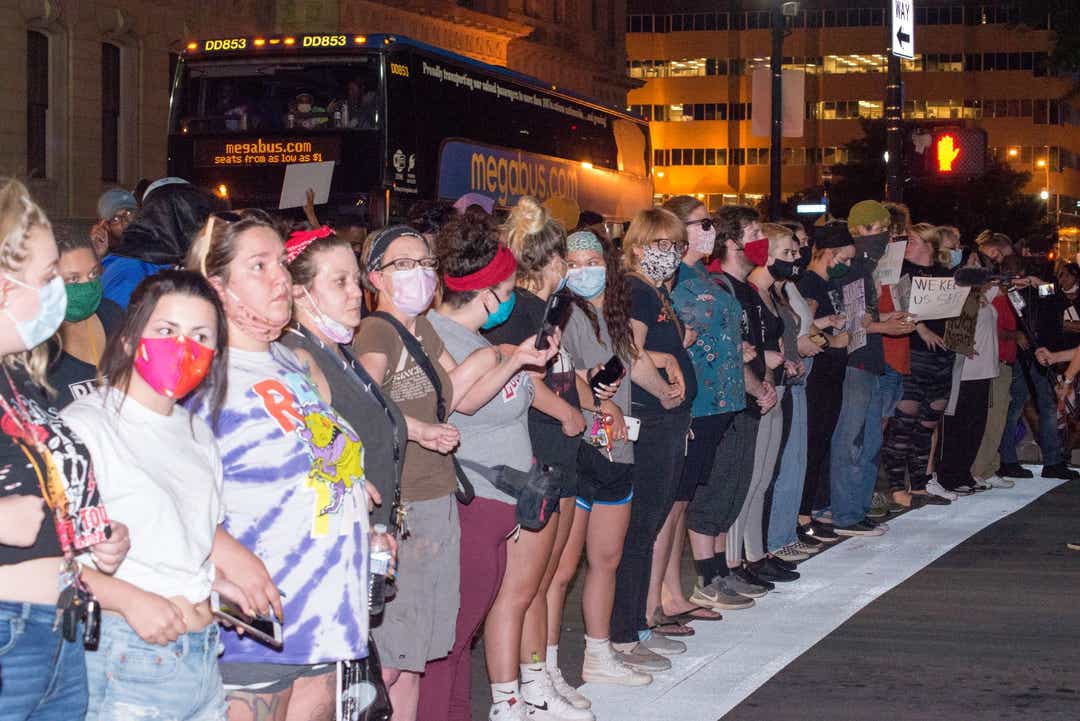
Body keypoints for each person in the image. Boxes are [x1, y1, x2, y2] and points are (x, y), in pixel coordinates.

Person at [186, 209, 374, 720]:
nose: (280, 281)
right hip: (255, 621)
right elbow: (159, 492)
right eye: (259, 266)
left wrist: (357, 506)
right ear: (216, 282)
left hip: (323, 611)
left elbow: (315, 461)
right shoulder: (200, 378)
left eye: (281, 265)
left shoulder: (289, 363)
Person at [65, 271, 259, 721]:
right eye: (167, 331)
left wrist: (215, 587)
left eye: (201, 336)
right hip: (128, 657)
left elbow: (176, 546)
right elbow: (50, 563)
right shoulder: (86, 426)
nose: (184, 347)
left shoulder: (197, 433)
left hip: (202, 659)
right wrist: (130, 600)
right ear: (132, 338)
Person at [354, 225, 528, 721]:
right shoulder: (377, 330)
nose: (420, 274)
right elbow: (366, 401)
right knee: (392, 658)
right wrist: (416, 430)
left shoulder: (422, 327)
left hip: (437, 497)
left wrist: (515, 362)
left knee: (420, 653)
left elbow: (462, 399)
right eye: (403, 264)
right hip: (404, 504)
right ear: (376, 278)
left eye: (426, 264)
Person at [422, 212, 565, 721]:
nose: (511, 299)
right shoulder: (439, 337)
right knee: (449, 639)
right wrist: (508, 361)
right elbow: (454, 402)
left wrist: (516, 359)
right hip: (471, 504)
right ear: (485, 291)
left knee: (461, 639)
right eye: (506, 289)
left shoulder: (480, 341)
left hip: (499, 506)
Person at [0, 178, 131, 720]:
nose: (61, 289)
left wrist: (91, 534)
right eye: (50, 274)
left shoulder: (20, 377)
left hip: (59, 623)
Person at [481, 197, 597, 712]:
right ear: (552, 263)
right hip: (538, 456)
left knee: (547, 578)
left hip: (560, 457)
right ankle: (513, 693)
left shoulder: (548, 310)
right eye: (569, 261)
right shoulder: (521, 314)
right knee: (522, 586)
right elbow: (522, 378)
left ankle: (539, 676)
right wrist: (566, 413)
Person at [553, 227, 656, 686]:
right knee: (561, 570)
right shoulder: (561, 314)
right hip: (581, 451)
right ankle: (546, 670)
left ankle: (598, 654)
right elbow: (562, 375)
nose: (583, 272)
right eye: (572, 264)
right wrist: (595, 400)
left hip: (616, 448)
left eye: (591, 261)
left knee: (606, 557)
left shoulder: (612, 313)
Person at [281, 226, 408, 531]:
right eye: (340, 282)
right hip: (337, 539)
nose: (355, 292)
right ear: (299, 291)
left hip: (373, 531)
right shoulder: (298, 358)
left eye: (355, 279)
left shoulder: (342, 352)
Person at [668, 199, 760, 612]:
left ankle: (707, 575)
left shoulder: (706, 275)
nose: (710, 230)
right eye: (703, 223)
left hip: (725, 395)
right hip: (698, 400)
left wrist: (733, 347)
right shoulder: (673, 278)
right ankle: (689, 584)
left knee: (712, 489)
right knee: (683, 500)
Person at [613, 207, 695, 666]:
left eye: (677, 244)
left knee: (648, 525)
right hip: (651, 418)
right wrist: (664, 392)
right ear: (639, 246)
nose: (673, 253)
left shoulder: (654, 291)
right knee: (640, 527)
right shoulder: (638, 290)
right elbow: (628, 347)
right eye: (663, 244)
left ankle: (637, 626)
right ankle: (625, 633)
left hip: (666, 423)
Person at [830, 201, 915, 533]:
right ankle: (846, 512)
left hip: (871, 360)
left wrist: (884, 320)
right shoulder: (853, 268)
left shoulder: (865, 268)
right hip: (857, 362)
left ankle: (857, 507)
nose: (879, 236)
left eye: (884, 230)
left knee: (868, 442)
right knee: (851, 440)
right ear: (856, 230)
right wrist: (883, 326)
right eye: (873, 229)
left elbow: (863, 316)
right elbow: (852, 322)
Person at [882, 222, 957, 505]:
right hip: (911, 354)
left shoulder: (947, 276)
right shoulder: (899, 273)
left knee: (927, 423)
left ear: (929, 244)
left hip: (942, 356)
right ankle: (895, 487)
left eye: (911, 240)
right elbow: (897, 306)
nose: (905, 245)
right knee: (904, 422)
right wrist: (921, 327)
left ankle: (919, 484)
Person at [796, 221, 853, 541]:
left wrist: (832, 325)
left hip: (830, 375)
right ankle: (803, 515)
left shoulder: (823, 283)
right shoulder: (811, 283)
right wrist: (833, 341)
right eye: (843, 259)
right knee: (812, 446)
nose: (846, 266)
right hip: (818, 376)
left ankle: (807, 512)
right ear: (828, 253)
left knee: (819, 446)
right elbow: (804, 327)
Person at [104, 183, 225, 308]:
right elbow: (119, 324)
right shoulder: (130, 270)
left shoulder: (172, 263)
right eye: (200, 218)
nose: (205, 228)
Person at [47, 232, 123, 407]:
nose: (87, 286)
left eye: (93, 274)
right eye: (73, 279)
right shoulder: (35, 341)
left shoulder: (112, 315)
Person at [91, 188, 138, 259]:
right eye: (116, 219)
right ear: (105, 226)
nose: (125, 221)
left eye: (128, 213)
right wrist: (97, 256)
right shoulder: (107, 257)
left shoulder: (148, 244)